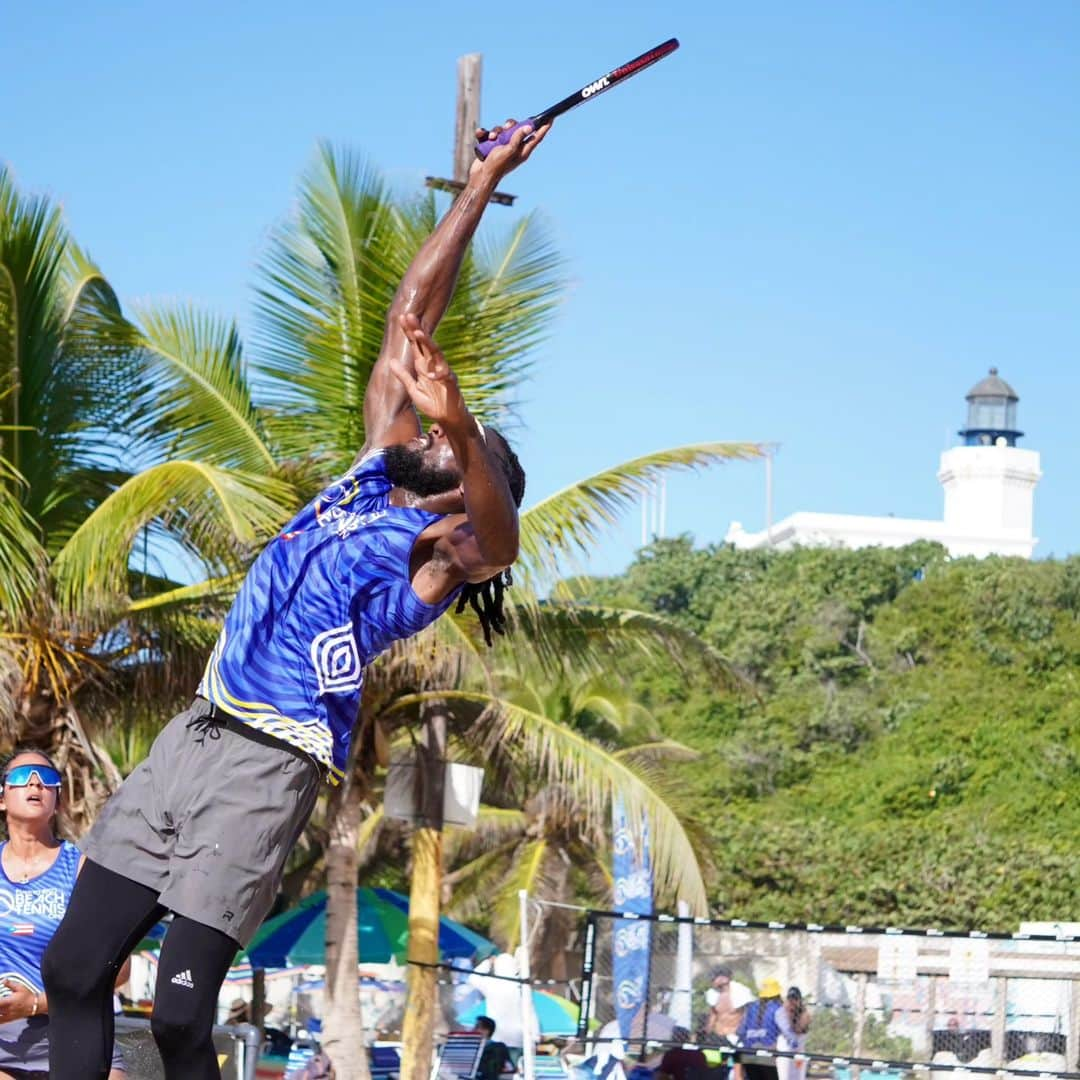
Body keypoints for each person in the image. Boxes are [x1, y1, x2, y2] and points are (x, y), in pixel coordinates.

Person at [41, 116, 550, 1080]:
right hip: (193, 737)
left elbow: (501, 541)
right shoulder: (371, 474)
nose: (425, 412)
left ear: (461, 469)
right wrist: (482, 183)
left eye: (446, 438)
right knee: (72, 967)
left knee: (188, 1023)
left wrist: (468, 436)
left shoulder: (435, 551)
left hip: (268, 767)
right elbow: (412, 314)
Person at [0, 749, 125, 1080]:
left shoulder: (84, 869)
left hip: (76, 1031)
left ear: (59, 801)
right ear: (2, 799)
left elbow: (120, 968)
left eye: (48, 779)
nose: (36, 783)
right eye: (21, 776)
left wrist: (37, 1003)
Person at [699, 967, 752, 1044]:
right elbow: (713, 1015)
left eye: (714, 978)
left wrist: (742, 1034)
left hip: (734, 1037)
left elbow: (747, 1016)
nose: (712, 980)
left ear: (724, 978)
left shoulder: (741, 992)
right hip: (717, 1036)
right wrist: (707, 1032)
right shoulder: (713, 993)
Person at [774, 987, 810, 1080]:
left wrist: (797, 1012)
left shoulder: (804, 1013)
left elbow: (799, 1029)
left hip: (799, 1052)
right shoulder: (781, 1012)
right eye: (790, 999)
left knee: (799, 1077)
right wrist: (789, 1012)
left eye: (795, 999)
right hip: (785, 1052)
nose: (793, 1002)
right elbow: (787, 1030)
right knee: (784, 1077)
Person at [474, 1015, 513, 1080]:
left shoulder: (498, 1048)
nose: (473, 1029)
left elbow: (508, 1070)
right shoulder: (471, 1048)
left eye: (477, 1027)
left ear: (486, 1030)